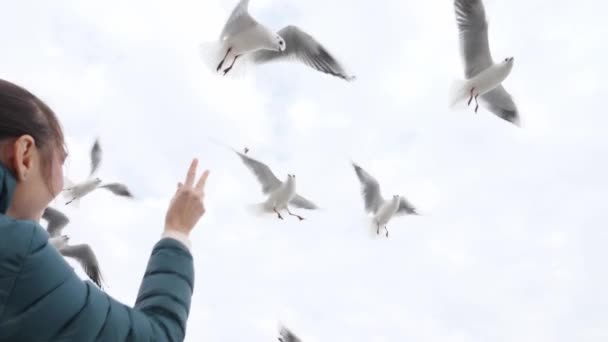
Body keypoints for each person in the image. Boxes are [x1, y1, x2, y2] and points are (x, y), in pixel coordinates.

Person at [0, 78, 210, 341]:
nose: (60, 183)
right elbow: (159, 336)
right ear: (24, 155)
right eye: (62, 159)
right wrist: (177, 230)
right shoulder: (17, 252)